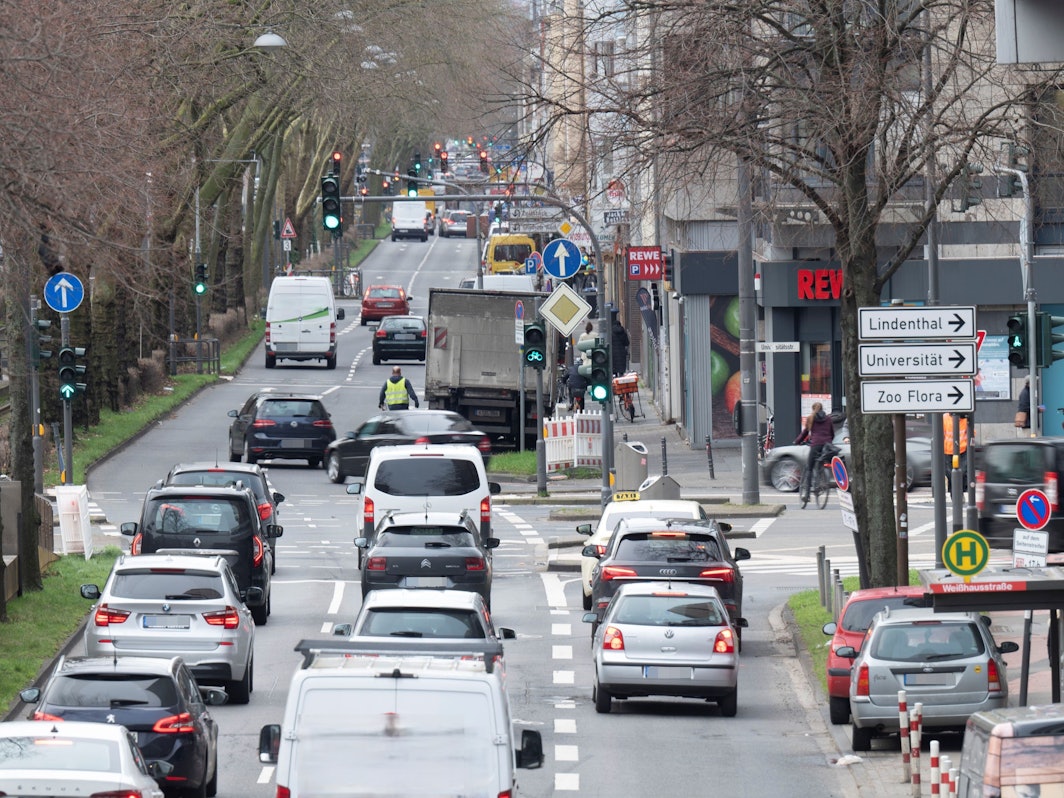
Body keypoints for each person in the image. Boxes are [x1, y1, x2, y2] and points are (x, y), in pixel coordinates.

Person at [794, 401, 835, 504]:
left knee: (809, 468)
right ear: (822, 409)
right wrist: (829, 441)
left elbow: (805, 433)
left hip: (816, 445)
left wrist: (797, 441)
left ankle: (807, 495)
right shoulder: (828, 419)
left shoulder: (811, 418)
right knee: (823, 462)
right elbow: (832, 433)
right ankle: (822, 478)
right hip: (827, 446)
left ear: (813, 409)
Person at [943, 412, 969, 493]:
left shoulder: (965, 419)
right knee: (950, 474)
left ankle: (960, 492)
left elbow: (971, 433)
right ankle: (953, 492)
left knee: (962, 472)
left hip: (962, 450)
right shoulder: (945, 418)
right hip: (948, 451)